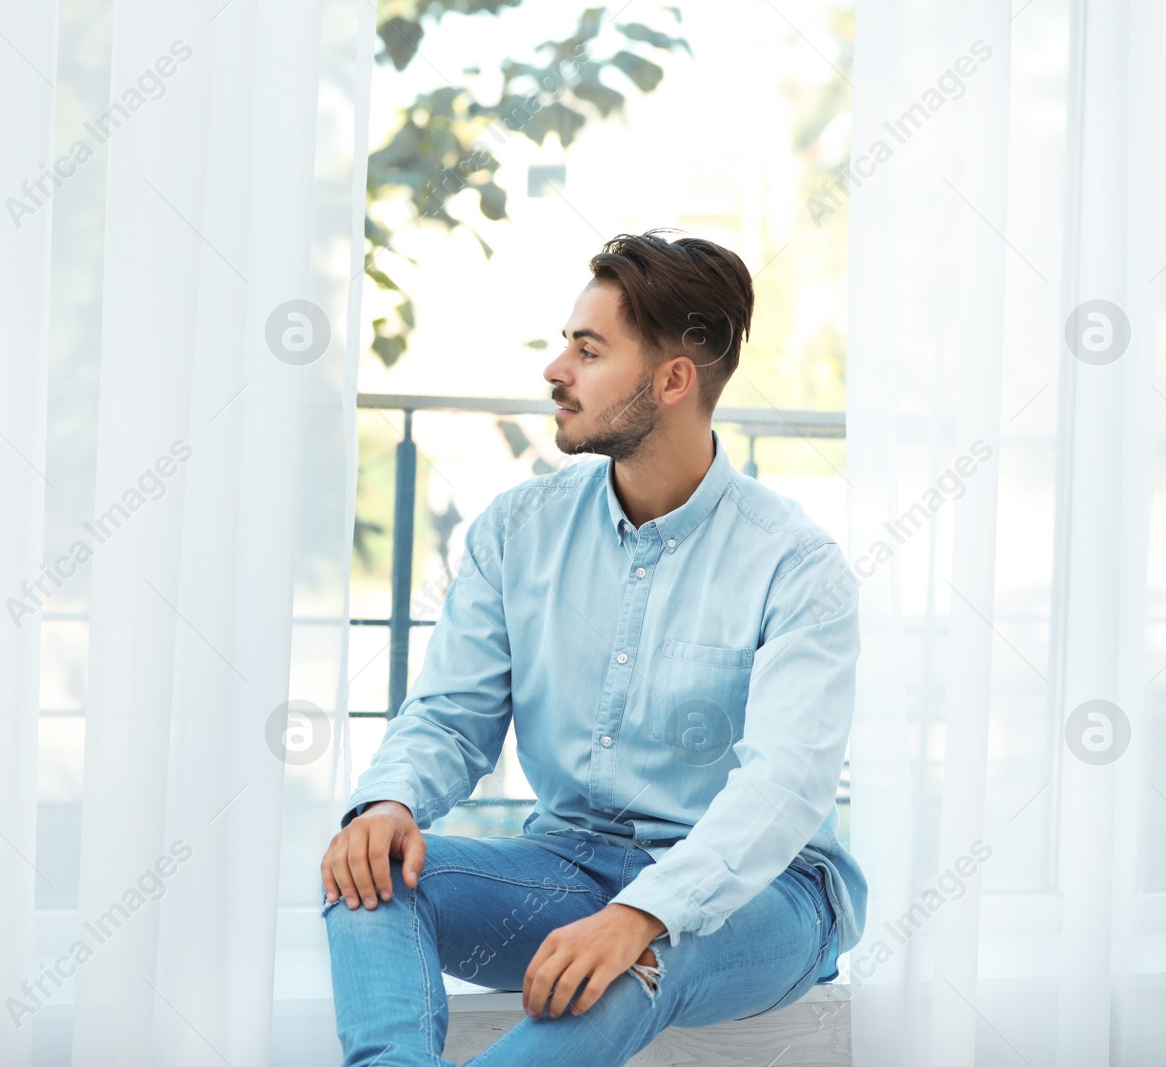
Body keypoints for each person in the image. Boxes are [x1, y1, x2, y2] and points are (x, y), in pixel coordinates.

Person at [320, 230, 866, 1066]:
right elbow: (450, 717)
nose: (555, 370)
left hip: (766, 894)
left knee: (635, 965)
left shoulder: (796, 566)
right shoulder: (517, 529)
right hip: (565, 866)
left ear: (673, 379)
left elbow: (782, 789)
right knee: (367, 876)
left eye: (587, 349)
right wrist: (388, 803)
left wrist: (644, 912)